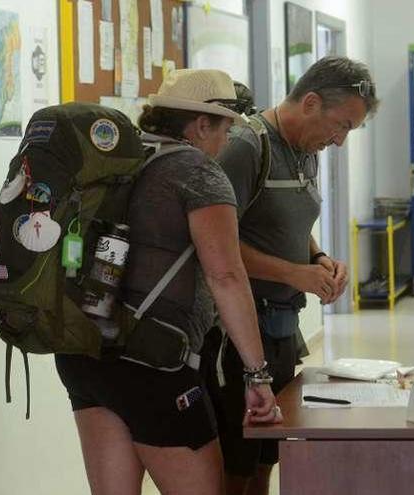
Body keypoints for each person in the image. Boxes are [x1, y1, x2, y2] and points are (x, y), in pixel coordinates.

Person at [54, 69, 281, 495]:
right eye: (226, 127)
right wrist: (257, 374)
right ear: (201, 124)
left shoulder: (117, 160)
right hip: (152, 363)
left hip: (84, 347)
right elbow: (226, 276)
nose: (228, 139)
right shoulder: (198, 173)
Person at [202, 56, 380, 495]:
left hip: (281, 326)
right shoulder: (246, 147)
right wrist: (292, 272)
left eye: (349, 132)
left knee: (269, 452)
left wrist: (318, 258)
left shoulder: (305, 151)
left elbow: (291, 225)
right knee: (237, 461)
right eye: (340, 126)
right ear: (311, 103)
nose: (339, 141)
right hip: (237, 333)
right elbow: (213, 246)